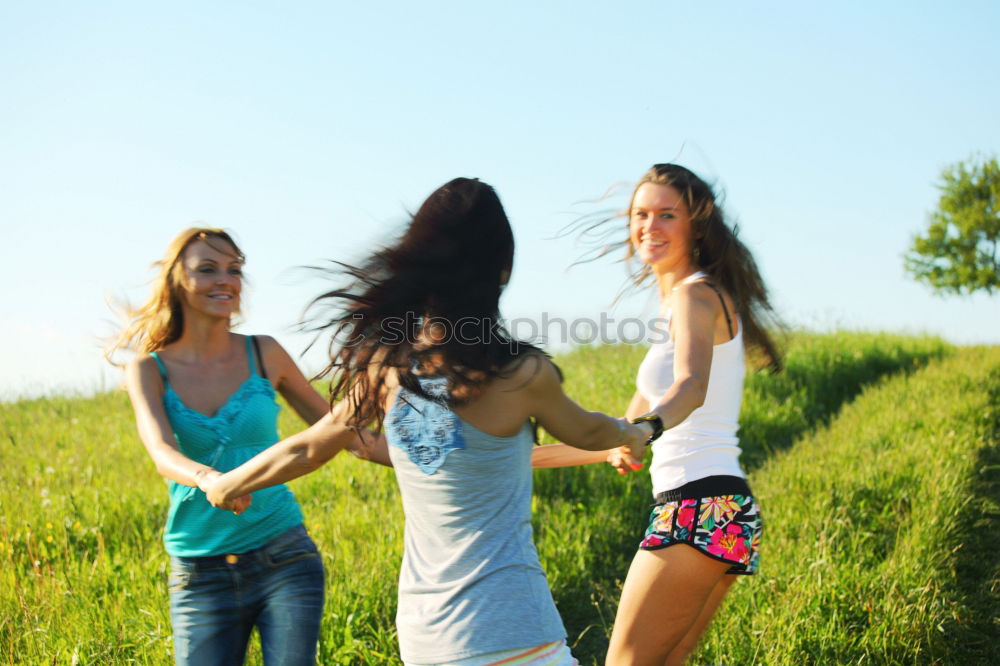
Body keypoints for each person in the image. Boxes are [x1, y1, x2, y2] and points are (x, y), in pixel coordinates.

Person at [202, 178, 649, 666]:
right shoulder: (522, 374)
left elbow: (309, 447)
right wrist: (637, 431)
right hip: (518, 636)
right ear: (502, 270)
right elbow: (589, 431)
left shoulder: (389, 369)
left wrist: (228, 484)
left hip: (428, 642)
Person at [532, 164, 782, 665]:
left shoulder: (695, 294)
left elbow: (691, 386)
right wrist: (507, 456)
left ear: (696, 226)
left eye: (667, 215)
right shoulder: (681, 304)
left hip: (697, 506)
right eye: (641, 214)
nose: (650, 226)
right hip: (723, 508)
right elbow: (610, 442)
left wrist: (648, 428)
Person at [107, 228, 333, 665]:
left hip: (283, 555)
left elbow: (339, 429)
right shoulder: (149, 370)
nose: (225, 280)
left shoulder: (264, 353)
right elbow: (161, 452)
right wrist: (211, 479)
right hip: (199, 570)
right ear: (177, 281)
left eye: (234, 270)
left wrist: (436, 454)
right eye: (207, 269)